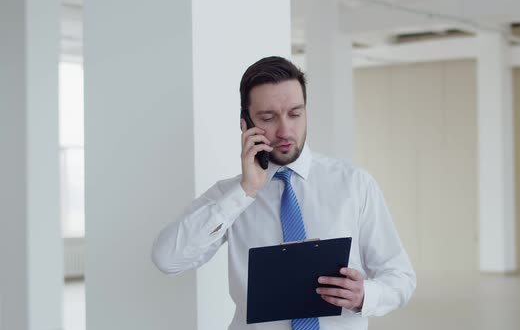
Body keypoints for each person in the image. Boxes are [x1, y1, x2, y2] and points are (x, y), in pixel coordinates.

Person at [151, 56, 416, 330]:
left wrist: (365, 296)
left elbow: (401, 278)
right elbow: (167, 259)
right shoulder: (230, 197)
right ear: (246, 123)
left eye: (295, 114)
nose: (285, 130)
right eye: (268, 118)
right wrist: (245, 192)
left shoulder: (354, 184)